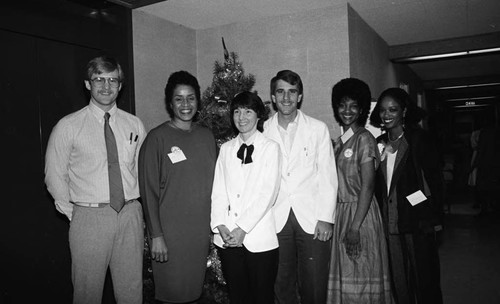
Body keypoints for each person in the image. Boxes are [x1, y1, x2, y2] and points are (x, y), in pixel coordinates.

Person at [45, 55, 146, 304]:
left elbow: (142, 170)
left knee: (132, 291)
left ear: (120, 86)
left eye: (112, 80)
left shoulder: (134, 124)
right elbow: (54, 174)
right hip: (88, 218)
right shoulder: (68, 126)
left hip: (129, 215)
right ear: (88, 84)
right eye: (98, 79)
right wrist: (75, 213)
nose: (106, 86)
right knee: (87, 292)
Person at [138, 70, 217, 303]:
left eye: (191, 98)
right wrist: (156, 236)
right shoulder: (156, 139)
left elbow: (214, 187)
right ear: (169, 103)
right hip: (169, 236)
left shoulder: (206, 137)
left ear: (198, 101)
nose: (185, 104)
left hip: (199, 235)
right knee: (172, 295)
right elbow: (148, 192)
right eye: (179, 98)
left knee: (193, 294)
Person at [263, 70, 338, 304]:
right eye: (281, 92)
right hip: (275, 217)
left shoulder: (318, 129)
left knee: (314, 282)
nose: (286, 98)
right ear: (273, 97)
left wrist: (326, 217)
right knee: (280, 282)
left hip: (312, 218)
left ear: (300, 96)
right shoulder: (262, 130)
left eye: (292, 92)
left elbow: (328, 175)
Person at [369, 88, 443, 304]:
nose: (387, 114)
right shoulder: (379, 142)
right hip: (390, 225)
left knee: (425, 280)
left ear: (404, 111)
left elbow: (434, 182)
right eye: (382, 110)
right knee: (399, 282)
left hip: (418, 223)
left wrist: (429, 214)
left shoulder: (419, 139)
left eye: (393, 109)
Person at [211, 91, 281, 304]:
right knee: (238, 297)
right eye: (237, 112)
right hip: (228, 240)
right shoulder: (226, 149)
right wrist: (220, 226)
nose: (241, 117)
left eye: (248, 111)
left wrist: (242, 228)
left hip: (259, 238)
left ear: (258, 115)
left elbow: (268, 194)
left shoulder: (270, 148)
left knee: (262, 297)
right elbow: (219, 191)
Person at [326, 78, 392, 303]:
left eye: (353, 105)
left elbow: (368, 186)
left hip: (360, 216)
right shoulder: (338, 142)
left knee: (361, 274)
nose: (347, 111)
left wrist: (354, 227)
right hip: (341, 214)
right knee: (346, 276)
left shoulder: (364, 139)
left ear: (362, 109)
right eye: (342, 105)